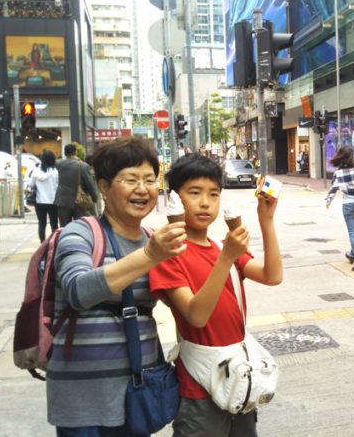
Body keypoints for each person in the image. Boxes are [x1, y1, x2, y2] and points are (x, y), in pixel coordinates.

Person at [47, 136, 188, 434]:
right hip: (84, 404)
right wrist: (149, 256)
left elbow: (189, 307)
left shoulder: (153, 238)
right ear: (104, 186)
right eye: (130, 179)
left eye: (150, 180)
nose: (142, 189)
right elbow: (77, 291)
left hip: (140, 397)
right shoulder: (80, 233)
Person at [148, 154, 283, 436]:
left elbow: (272, 276)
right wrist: (226, 258)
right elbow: (196, 316)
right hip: (199, 387)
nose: (205, 202)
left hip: (240, 380)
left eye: (213, 194)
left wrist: (266, 220)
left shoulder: (222, 247)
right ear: (175, 198)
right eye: (194, 193)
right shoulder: (170, 253)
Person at [54, 143, 99, 226]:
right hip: (79, 201)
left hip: (62, 201)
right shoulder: (83, 166)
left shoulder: (58, 164)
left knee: (64, 227)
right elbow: (89, 183)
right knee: (80, 226)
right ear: (75, 152)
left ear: (65, 153)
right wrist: (94, 197)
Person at [29, 150, 59, 242]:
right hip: (53, 201)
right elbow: (57, 185)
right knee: (54, 224)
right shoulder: (55, 172)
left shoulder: (36, 171)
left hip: (39, 201)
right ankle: (54, 243)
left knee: (42, 223)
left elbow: (31, 185)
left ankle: (42, 243)